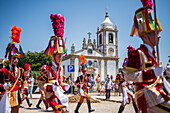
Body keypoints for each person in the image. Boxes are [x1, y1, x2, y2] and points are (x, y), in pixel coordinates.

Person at [124, 1, 170, 112]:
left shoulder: (155, 55)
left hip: (158, 92)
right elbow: (128, 76)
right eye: (155, 33)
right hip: (148, 95)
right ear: (145, 36)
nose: (159, 36)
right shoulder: (137, 53)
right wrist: (152, 73)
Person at [38, 13, 69, 113]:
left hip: (61, 97)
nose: (60, 58)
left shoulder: (61, 69)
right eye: (58, 56)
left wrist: (64, 85)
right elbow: (40, 84)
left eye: (61, 56)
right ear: (53, 56)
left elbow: (60, 82)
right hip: (51, 98)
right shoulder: (46, 69)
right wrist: (50, 87)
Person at [0, 26, 25, 113]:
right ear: (10, 58)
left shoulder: (21, 70)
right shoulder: (3, 71)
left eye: (17, 58)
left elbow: (23, 81)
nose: (16, 60)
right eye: (14, 58)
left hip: (17, 98)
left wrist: (25, 90)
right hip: (7, 97)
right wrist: (3, 86)